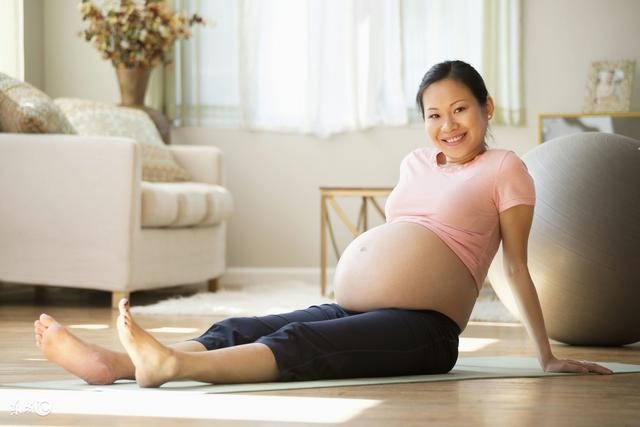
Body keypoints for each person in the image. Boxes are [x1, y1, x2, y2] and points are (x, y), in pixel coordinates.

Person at [33, 60, 612, 388]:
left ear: (487, 108)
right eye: (434, 114)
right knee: (246, 321)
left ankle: (176, 365)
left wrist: (547, 356)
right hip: (363, 308)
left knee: (300, 342)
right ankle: (114, 363)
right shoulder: (414, 162)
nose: (447, 125)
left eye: (460, 109)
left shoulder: (506, 169)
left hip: (426, 331)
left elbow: (515, 264)